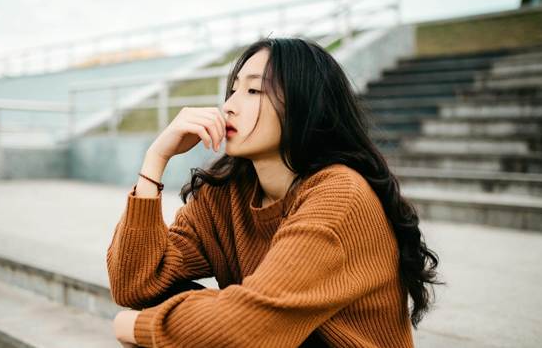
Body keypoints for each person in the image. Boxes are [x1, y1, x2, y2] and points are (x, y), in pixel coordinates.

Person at [107, 37, 443, 347]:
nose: (229, 107)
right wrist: (155, 160)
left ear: (304, 105)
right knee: (171, 304)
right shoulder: (225, 193)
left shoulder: (340, 196)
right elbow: (134, 284)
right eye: (233, 91)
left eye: (254, 92)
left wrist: (136, 328)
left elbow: (249, 326)